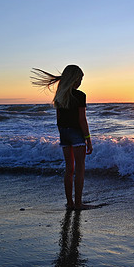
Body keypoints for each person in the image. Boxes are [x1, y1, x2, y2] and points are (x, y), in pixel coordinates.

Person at [31, 64, 93, 210]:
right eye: (80, 78)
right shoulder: (80, 95)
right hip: (76, 133)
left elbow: (58, 119)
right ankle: (78, 203)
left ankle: (69, 202)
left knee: (69, 169)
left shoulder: (60, 96)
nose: (80, 82)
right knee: (80, 169)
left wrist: (62, 134)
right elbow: (82, 120)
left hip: (64, 133)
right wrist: (88, 139)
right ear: (74, 78)